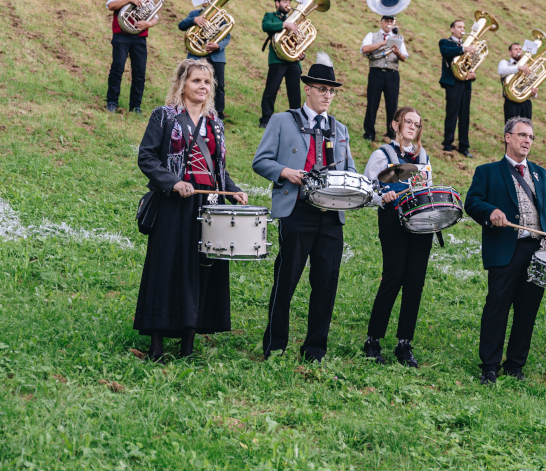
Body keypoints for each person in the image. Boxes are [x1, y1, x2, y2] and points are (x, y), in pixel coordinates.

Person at [135, 58, 247, 361]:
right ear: (182, 84)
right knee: (166, 269)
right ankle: (156, 345)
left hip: (209, 205)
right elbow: (147, 158)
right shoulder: (165, 116)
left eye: (207, 82)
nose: (203, 86)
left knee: (201, 271)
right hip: (174, 205)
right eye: (197, 80)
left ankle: (188, 344)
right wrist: (172, 182)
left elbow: (218, 170)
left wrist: (233, 189)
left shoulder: (215, 123)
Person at [465, 117, 546, 384]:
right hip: (505, 250)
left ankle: (515, 364)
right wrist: (491, 212)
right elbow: (473, 202)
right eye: (522, 135)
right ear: (507, 137)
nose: (527, 141)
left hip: (539, 253)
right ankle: (489, 365)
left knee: (527, 310)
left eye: (531, 137)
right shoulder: (487, 172)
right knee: (497, 308)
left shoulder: (542, 175)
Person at [252, 53, 357, 362]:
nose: (328, 95)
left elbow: (349, 172)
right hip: (296, 210)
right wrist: (285, 172)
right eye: (322, 88)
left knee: (326, 283)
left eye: (332, 90)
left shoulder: (340, 129)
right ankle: (274, 345)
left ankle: (315, 350)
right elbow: (261, 161)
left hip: (331, 215)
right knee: (286, 280)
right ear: (308, 88)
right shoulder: (282, 121)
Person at [361, 107, 434, 368]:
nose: (413, 127)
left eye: (417, 123)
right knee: (393, 278)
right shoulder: (382, 155)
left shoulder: (423, 156)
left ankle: (404, 343)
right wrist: (384, 197)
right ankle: (373, 340)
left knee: (415, 282)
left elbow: (427, 188)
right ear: (395, 124)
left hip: (421, 223)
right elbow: (367, 190)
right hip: (393, 220)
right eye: (408, 122)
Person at [106, 0, 160, 114]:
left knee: (139, 73)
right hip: (121, 36)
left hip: (139, 38)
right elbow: (111, 5)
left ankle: (135, 106)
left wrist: (147, 24)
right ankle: (112, 102)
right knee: (117, 68)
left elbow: (155, 17)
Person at [179, 0, 230, 119]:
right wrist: (194, 20)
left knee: (219, 86)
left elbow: (227, 36)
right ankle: (185, 108)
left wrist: (218, 46)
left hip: (216, 55)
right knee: (189, 81)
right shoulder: (194, 14)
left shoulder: (222, 15)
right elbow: (181, 25)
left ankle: (218, 114)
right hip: (196, 54)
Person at [259, 0, 305, 129]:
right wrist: (285, 25)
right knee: (271, 90)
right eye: (285, 2)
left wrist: (301, 53)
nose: (288, 4)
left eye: (289, 2)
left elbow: (300, 39)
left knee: (295, 92)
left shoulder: (294, 18)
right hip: (277, 60)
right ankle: (265, 119)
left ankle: (297, 121)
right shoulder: (271, 16)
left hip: (292, 61)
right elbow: (265, 26)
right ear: (277, 3)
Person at [360, 14, 408, 143]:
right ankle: (369, 133)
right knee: (372, 103)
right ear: (381, 22)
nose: (389, 23)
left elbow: (404, 57)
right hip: (376, 72)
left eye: (391, 21)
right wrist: (383, 43)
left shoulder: (398, 38)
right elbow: (364, 49)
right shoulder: (372, 35)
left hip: (392, 74)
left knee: (392, 105)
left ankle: (391, 134)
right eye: (386, 21)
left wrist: (397, 53)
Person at [439, 19, 476, 158]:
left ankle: (464, 146)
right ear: (452, 29)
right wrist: (462, 49)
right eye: (459, 27)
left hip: (465, 83)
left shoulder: (468, 46)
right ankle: (447, 144)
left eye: (464, 27)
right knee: (452, 114)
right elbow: (446, 53)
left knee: (465, 115)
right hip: (453, 83)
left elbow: (470, 64)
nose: (462, 29)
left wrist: (473, 73)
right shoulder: (445, 42)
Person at [498, 42, 535, 122]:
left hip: (526, 103)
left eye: (520, 49)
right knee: (511, 129)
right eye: (515, 49)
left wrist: (534, 93)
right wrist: (518, 68)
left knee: (526, 130)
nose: (518, 51)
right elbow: (501, 71)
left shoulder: (527, 66)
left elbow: (531, 83)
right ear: (510, 52)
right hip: (511, 102)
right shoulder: (504, 63)